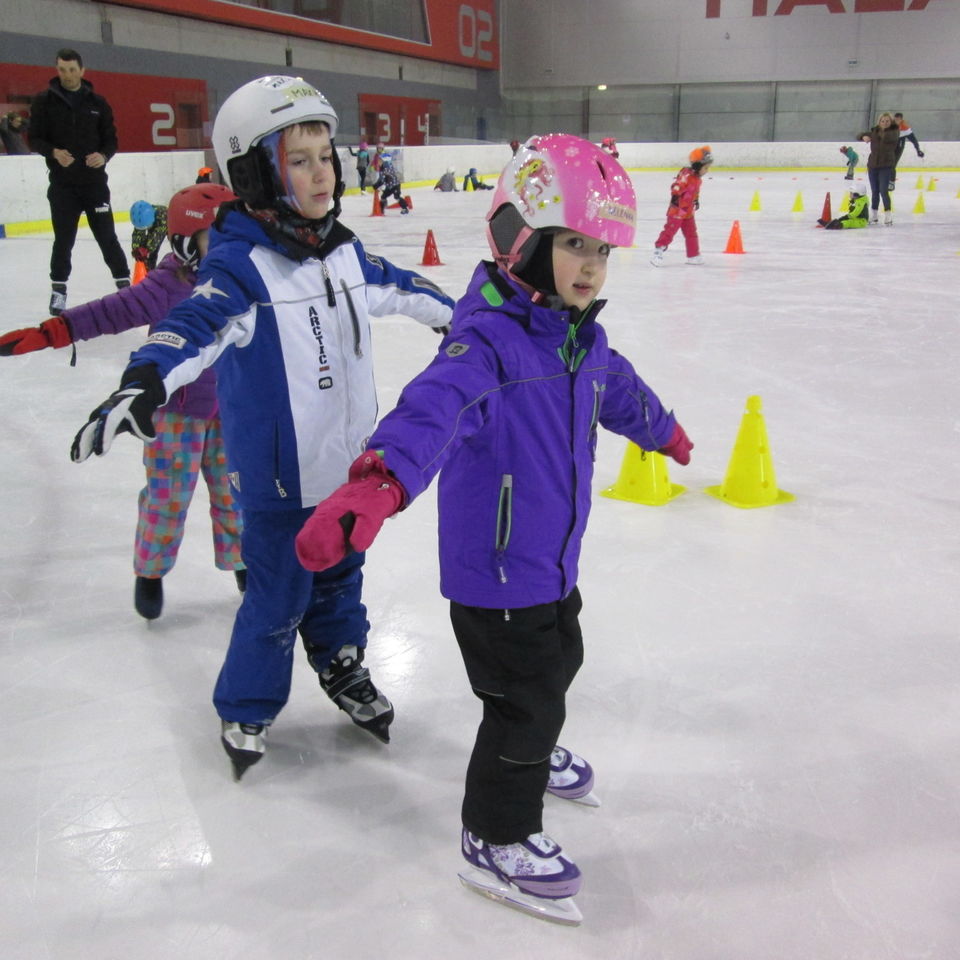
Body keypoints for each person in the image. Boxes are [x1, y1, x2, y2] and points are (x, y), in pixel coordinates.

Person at [294, 133, 693, 924]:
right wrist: (377, 485)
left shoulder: (582, 337)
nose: (591, 266)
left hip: (549, 565)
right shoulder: (486, 344)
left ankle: (530, 760)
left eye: (603, 251)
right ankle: (494, 836)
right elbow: (429, 410)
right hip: (496, 572)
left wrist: (663, 430)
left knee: (562, 658)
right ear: (523, 236)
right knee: (526, 704)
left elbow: (620, 389)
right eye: (575, 244)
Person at [70, 76, 455, 780]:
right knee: (277, 596)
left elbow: (409, 288)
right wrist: (145, 378)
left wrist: (467, 326)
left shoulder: (343, 252)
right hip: (278, 482)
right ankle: (246, 702)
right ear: (253, 173)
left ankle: (342, 664)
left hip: (348, 472)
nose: (322, 173)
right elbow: (189, 327)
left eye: (325, 155)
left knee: (342, 576)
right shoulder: (240, 268)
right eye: (299, 159)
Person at [1, 182, 244, 620]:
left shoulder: (243, 282)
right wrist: (52, 332)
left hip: (233, 411)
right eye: (219, 239)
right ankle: (150, 573)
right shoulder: (167, 287)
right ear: (188, 244)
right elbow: (109, 312)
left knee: (237, 495)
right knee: (168, 498)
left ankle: (243, 564)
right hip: (175, 414)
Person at [28, 48, 130, 316]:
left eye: (72, 69)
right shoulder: (43, 102)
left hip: (94, 185)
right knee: (63, 240)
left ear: (82, 71)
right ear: (57, 69)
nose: (68, 75)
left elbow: (111, 140)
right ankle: (59, 291)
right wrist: (53, 152)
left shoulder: (98, 103)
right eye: (62, 69)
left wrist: (104, 155)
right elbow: (34, 138)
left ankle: (126, 288)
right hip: (63, 186)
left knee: (107, 237)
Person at [651, 145, 713, 266]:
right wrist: (675, 194)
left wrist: (696, 200)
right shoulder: (687, 175)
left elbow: (695, 192)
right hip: (677, 211)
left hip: (688, 212)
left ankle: (693, 255)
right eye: (705, 168)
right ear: (697, 166)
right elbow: (676, 186)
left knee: (691, 233)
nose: (707, 171)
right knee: (669, 232)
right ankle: (658, 251)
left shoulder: (697, 179)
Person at [860, 112, 898, 225]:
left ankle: (888, 215)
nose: (885, 123)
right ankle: (874, 215)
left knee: (883, 191)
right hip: (873, 165)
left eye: (887, 121)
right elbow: (859, 135)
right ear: (879, 122)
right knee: (875, 191)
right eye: (882, 121)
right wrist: (863, 136)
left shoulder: (894, 132)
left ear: (891, 122)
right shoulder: (875, 131)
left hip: (885, 166)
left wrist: (873, 134)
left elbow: (888, 137)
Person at [129, 200, 169, 271]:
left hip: (169, 225)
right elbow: (137, 234)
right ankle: (148, 271)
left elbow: (155, 238)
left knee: (151, 252)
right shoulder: (141, 217)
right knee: (145, 253)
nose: (143, 229)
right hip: (155, 223)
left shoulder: (162, 218)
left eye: (146, 227)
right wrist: (136, 248)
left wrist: (146, 250)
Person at [890, 112, 925, 189]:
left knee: (892, 164)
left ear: (901, 120)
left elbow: (914, 140)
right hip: (890, 144)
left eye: (898, 120)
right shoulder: (890, 124)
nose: (896, 121)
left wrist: (918, 150)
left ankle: (891, 182)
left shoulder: (905, 128)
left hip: (899, 145)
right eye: (895, 120)